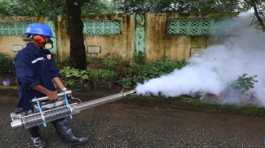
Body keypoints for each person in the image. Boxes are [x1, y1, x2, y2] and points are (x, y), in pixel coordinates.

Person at [14, 23, 88, 148]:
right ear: (36, 37)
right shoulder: (23, 56)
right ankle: (36, 138)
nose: (47, 41)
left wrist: (64, 90)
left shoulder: (46, 53)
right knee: (32, 118)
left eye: (48, 38)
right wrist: (48, 93)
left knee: (59, 114)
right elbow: (26, 79)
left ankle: (69, 138)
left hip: (50, 91)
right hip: (30, 94)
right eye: (45, 38)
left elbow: (54, 73)